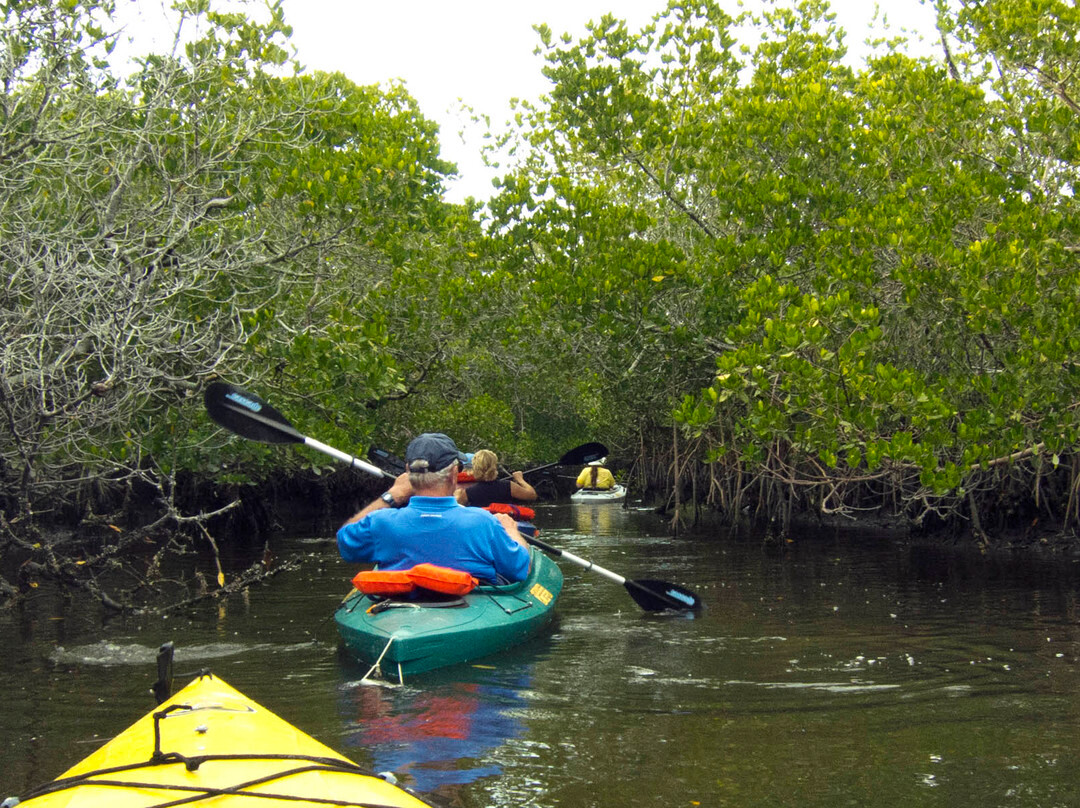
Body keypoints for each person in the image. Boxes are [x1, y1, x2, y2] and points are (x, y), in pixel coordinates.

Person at [337, 433, 531, 584]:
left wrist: (393, 495)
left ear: (407, 472)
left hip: (400, 607)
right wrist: (512, 531)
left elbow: (345, 542)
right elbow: (520, 569)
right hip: (468, 605)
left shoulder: (381, 521)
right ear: (455, 473)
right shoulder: (483, 522)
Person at [455, 449, 537, 508]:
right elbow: (532, 495)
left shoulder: (467, 493)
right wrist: (520, 479)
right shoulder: (509, 486)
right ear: (494, 465)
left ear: (475, 467)